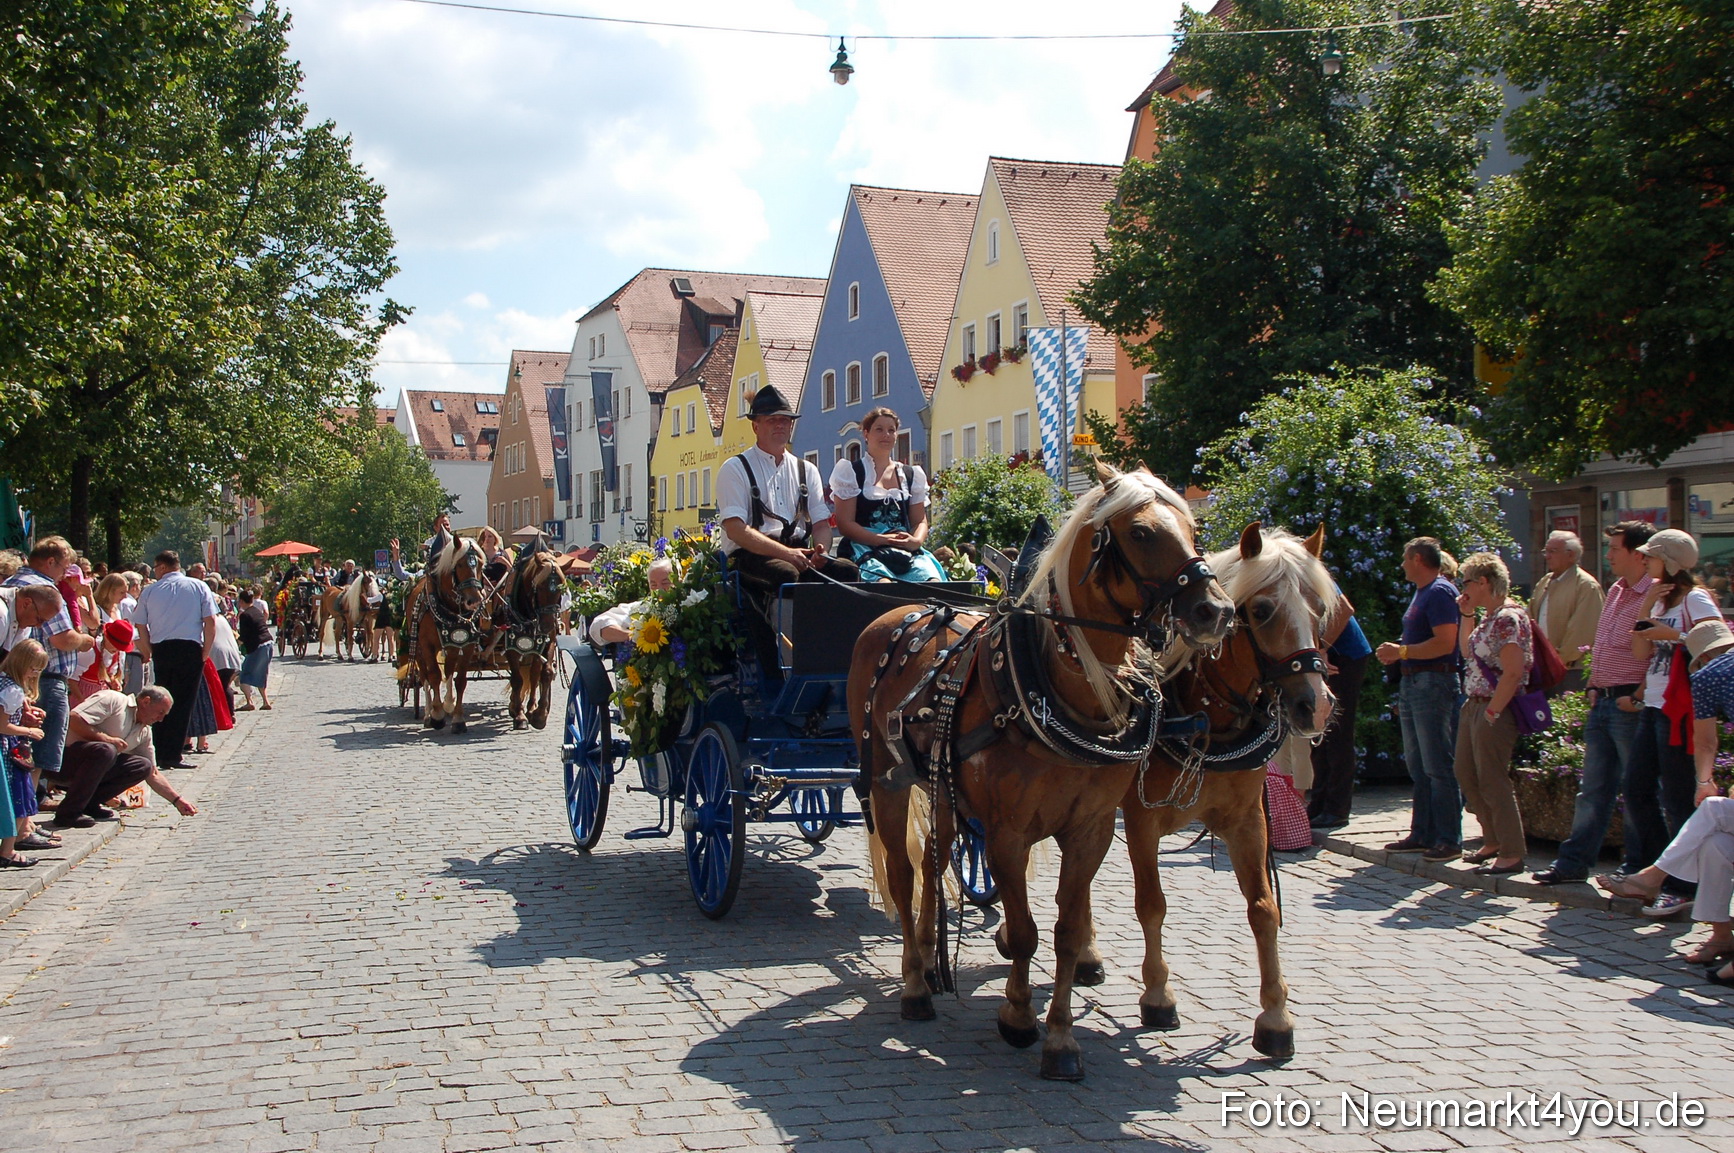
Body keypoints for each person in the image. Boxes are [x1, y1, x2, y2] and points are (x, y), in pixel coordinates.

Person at [1598, 619, 1734, 977]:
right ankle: (1722, 936)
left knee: (1715, 809)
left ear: (1699, 659)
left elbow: (1705, 742)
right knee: (1715, 845)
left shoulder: (1707, 678)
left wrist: (1704, 782)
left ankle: (1653, 875)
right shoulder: (1718, 674)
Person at [1531, 520, 1658, 885]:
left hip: (1629, 702)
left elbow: (1656, 654)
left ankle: (1637, 866)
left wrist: (1636, 696)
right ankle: (1573, 863)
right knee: (1593, 790)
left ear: (1637, 554)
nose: (1608, 555)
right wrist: (1593, 683)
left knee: (1637, 789)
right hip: (1602, 699)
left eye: (1615, 549)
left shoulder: (1652, 593)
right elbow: (1600, 642)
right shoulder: (1617, 589)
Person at [716, 385, 860, 678]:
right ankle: (789, 665)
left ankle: (841, 658)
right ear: (756, 425)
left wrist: (820, 550)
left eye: (785, 420)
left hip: (798, 552)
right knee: (787, 575)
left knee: (847, 570)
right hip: (751, 555)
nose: (780, 425)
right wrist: (787, 553)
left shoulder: (806, 470)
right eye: (772, 420)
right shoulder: (735, 468)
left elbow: (821, 525)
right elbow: (737, 530)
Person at [1618, 528, 1720, 917]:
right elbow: (1640, 647)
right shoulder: (1659, 600)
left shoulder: (1695, 597)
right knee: (1637, 788)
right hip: (1656, 704)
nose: (1644, 560)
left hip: (1680, 709)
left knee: (1677, 797)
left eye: (1651, 556)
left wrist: (1675, 635)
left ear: (1670, 561)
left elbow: (1716, 642)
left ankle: (1682, 885)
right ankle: (1654, 872)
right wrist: (1646, 609)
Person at [1375, 537, 1463, 861]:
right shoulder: (1423, 592)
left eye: (1404, 558)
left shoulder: (1440, 592)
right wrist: (1400, 651)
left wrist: (1403, 652)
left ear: (1416, 559)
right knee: (1418, 764)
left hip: (1434, 682)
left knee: (1438, 764)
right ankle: (1423, 833)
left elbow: (1445, 643)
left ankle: (1449, 838)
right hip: (1414, 683)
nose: (1401, 565)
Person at [1453, 553, 1534, 874]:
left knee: (1492, 778)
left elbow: (1513, 671)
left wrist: (1494, 710)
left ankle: (1512, 850)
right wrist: (1466, 614)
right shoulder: (1489, 617)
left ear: (1484, 582)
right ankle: (1492, 838)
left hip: (1494, 707)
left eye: (1467, 581)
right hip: (1474, 704)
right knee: (1465, 772)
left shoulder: (1508, 618)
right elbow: (1465, 650)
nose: (1463, 587)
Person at [3, 537, 97, 787]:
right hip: (44, 676)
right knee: (38, 752)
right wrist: (83, 640)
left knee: (18, 749)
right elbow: (62, 639)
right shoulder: (44, 591)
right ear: (51, 561)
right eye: (64, 567)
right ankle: (27, 814)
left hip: (18, 679)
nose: (65, 574)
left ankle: (24, 814)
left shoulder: (13, 582)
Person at [829, 408, 945, 583]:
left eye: (891, 430)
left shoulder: (910, 475)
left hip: (903, 549)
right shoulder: (852, 472)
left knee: (931, 581)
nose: (886, 435)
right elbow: (845, 524)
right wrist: (879, 539)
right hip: (864, 547)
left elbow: (919, 521)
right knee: (883, 583)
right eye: (879, 429)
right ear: (866, 433)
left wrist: (915, 541)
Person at [132, 549, 219, 770]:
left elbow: (140, 623)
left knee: (158, 699)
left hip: (162, 648)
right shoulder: (199, 586)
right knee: (183, 703)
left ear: (162, 567)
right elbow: (210, 622)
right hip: (190, 647)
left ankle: (159, 750)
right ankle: (173, 754)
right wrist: (205, 652)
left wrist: (148, 647)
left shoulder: (150, 591)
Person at [1308, 584, 1372, 831]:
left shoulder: (1312, 572)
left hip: (1344, 657)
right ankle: (1319, 802)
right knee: (1318, 731)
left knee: (1337, 733)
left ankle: (1337, 809)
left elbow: (1344, 609)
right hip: (1326, 656)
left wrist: (1322, 648)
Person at [1530, 530, 1604, 693]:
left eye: (1552, 551)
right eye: (1546, 551)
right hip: (1544, 669)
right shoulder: (1544, 582)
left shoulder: (1586, 586)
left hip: (1571, 671)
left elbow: (1582, 632)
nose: (1547, 556)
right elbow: (1531, 620)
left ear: (1571, 555)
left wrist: (1557, 659)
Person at [0, 640, 49, 867]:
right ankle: (7, 851)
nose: (34, 674)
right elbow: (3, 726)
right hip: (8, 751)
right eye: (33, 668)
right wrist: (29, 730)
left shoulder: (6, 683)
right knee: (18, 798)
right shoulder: (11, 689)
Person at [588, 559, 674, 646]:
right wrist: (636, 636)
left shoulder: (686, 605)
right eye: (653, 585)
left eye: (665, 583)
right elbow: (599, 625)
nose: (659, 589)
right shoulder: (640, 609)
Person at [235, 588, 274, 711]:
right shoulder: (257, 611)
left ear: (241, 601)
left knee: (244, 675)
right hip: (269, 643)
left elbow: (244, 637)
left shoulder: (245, 615)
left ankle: (249, 701)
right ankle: (265, 701)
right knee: (262, 673)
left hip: (258, 646)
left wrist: (235, 644)